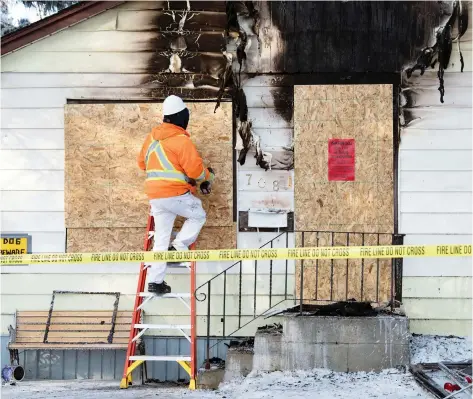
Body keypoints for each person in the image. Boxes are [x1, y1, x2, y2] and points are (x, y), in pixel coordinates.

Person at [137, 95, 214, 294]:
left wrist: (179, 176)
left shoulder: (151, 138)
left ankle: (156, 282)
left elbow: (142, 164)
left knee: (161, 239)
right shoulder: (181, 141)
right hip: (174, 194)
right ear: (181, 117)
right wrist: (209, 175)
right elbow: (196, 172)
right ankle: (179, 247)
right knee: (198, 215)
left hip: (156, 197)